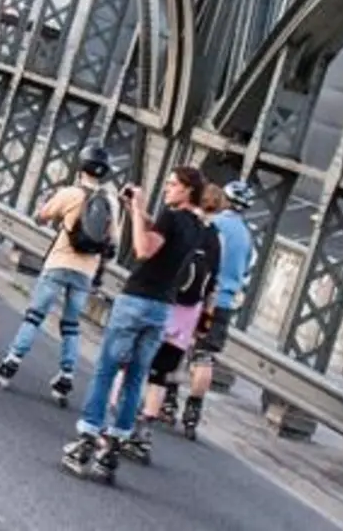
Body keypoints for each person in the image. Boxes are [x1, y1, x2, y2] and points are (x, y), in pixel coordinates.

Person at [61, 165, 207, 484]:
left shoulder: (171, 216)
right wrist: (135, 211)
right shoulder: (198, 226)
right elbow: (162, 241)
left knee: (107, 370)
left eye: (171, 184)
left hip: (137, 301)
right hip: (162, 309)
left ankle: (86, 439)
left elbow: (144, 250)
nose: (167, 189)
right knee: (136, 377)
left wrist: (139, 209)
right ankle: (113, 447)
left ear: (186, 190)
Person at [0, 144, 119, 403]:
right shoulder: (111, 203)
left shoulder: (71, 193)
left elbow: (41, 217)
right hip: (86, 270)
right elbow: (113, 244)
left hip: (59, 261)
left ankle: (11, 363)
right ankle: (65, 377)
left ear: (81, 167)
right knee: (71, 325)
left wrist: (47, 207)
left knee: (35, 316)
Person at [125, 182, 222, 463]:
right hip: (189, 313)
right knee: (161, 373)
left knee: (132, 360)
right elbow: (212, 282)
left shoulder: (186, 227)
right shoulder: (215, 237)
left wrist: (136, 211)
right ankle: (145, 430)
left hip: (165, 301)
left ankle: (117, 417)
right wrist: (204, 321)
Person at [179, 179, 254, 436]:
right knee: (205, 357)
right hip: (223, 304)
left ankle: (167, 400)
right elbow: (245, 273)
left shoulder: (215, 225)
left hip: (199, 295)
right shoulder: (247, 237)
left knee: (177, 346)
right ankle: (193, 410)